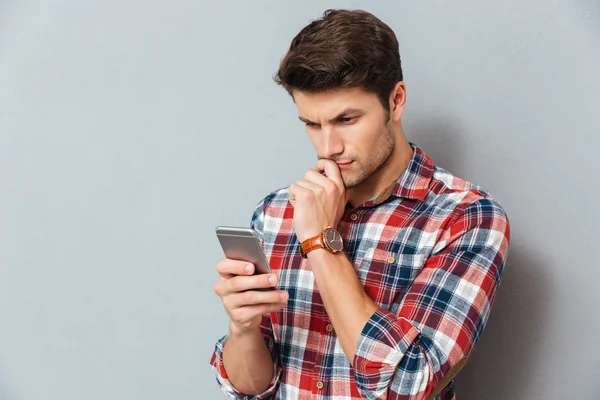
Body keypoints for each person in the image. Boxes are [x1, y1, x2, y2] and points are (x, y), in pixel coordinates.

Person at [210, 8, 510, 400]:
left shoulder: (465, 219)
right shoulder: (277, 212)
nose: (328, 147)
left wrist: (320, 241)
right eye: (312, 125)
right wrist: (243, 328)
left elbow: (409, 386)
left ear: (396, 101)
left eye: (347, 119)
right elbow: (253, 388)